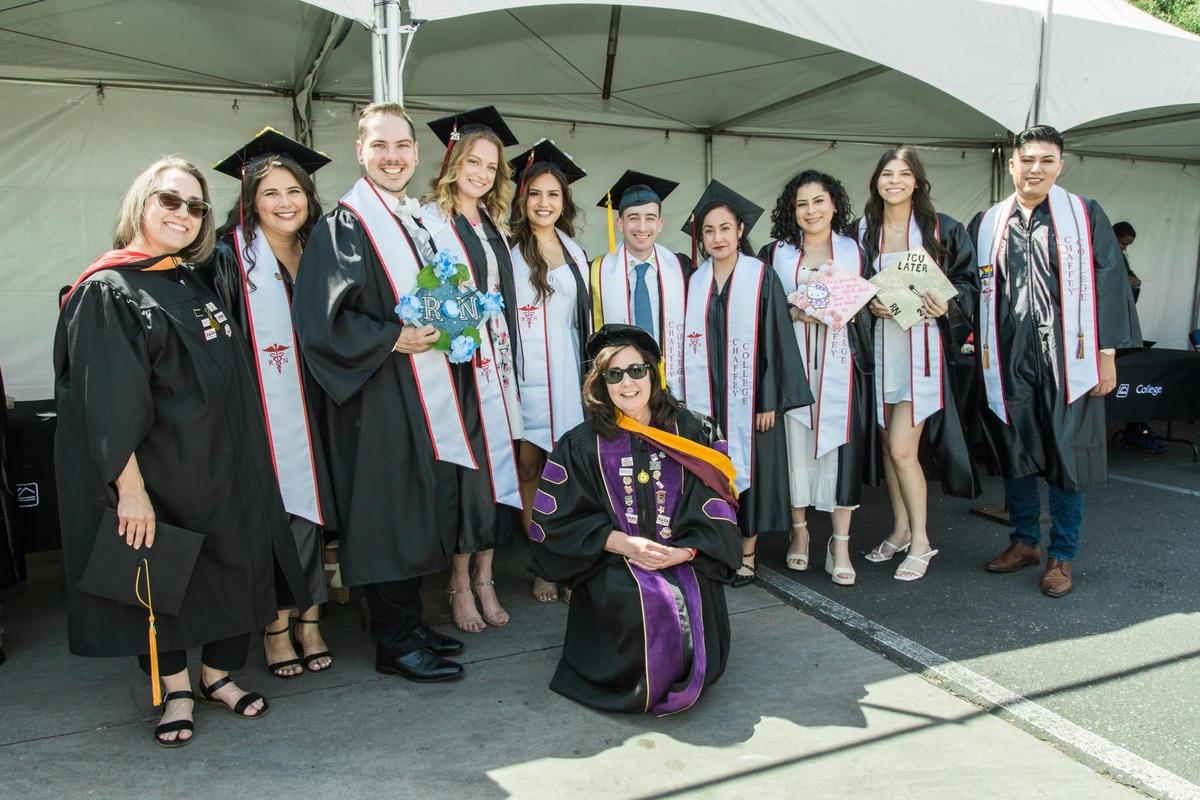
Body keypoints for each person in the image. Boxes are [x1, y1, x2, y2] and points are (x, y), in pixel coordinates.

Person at [54, 156, 311, 747]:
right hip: (162, 476)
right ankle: (175, 688)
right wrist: (132, 492)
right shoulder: (108, 289)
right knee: (164, 581)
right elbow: (106, 406)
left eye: (195, 207)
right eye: (170, 201)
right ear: (141, 204)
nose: (183, 214)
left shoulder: (188, 277)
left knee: (236, 568)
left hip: (226, 467)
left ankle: (218, 676)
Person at [292, 103, 469, 682]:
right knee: (388, 512)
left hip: (417, 389)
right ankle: (393, 643)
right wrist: (394, 338)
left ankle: (409, 624)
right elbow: (322, 320)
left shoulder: (410, 219)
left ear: (416, 153)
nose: (392, 157)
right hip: (376, 394)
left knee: (415, 508)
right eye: (380, 146)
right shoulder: (346, 223)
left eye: (402, 146)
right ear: (360, 152)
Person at [529, 324, 742, 714]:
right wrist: (622, 543)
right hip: (614, 556)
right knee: (640, 597)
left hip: (685, 555)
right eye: (614, 374)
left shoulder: (694, 430)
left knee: (682, 591)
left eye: (636, 370)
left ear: (653, 372)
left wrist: (686, 551)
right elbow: (557, 522)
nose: (627, 383)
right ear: (600, 383)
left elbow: (718, 506)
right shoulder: (580, 444)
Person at [969, 125, 1140, 598]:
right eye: (1027, 160)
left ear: (1060, 165)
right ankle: (1025, 542)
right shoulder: (989, 222)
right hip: (1008, 356)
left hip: (1069, 358)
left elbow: (1110, 280)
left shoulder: (1083, 215)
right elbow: (971, 285)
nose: (1035, 169)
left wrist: (1107, 355)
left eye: (1046, 160)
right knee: (1016, 452)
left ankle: (1062, 555)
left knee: (1067, 457)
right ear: (1012, 165)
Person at [202, 129, 338, 677]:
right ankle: (277, 624)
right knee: (273, 514)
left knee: (317, 514)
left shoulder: (323, 249)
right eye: (271, 193)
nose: (285, 203)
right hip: (261, 408)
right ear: (249, 200)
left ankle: (311, 619)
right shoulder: (225, 257)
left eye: (294, 192)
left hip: (323, 404)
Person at [420, 107, 524, 632]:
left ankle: (487, 576)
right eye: (473, 162)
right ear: (454, 161)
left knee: (498, 467)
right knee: (468, 473)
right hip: (455, 364)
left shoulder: (494, 227)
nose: (481, 173)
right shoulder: (429, 221)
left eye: (491, 166)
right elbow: (420, 292)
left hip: (497, 362)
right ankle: (459, 582)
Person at [857, 147, 981, 580]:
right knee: (889, 450)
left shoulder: (940, 228)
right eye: (887, 173)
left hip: (920, 350)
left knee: (902, 449)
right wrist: (870, 305)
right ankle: (901, 529)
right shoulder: (863, 231)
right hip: (880, 349)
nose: (895, 180)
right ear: (876, 181)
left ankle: (923, 541)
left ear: (917, 181)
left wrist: (944, 304)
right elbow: (854, 286)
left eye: (904, 174)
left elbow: (968, 283)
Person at [681, 181, 813, 586]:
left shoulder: (762, 277)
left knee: (747, 472)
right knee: (709, 472)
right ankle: (718, 545)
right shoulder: (694, 282)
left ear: (740, 230)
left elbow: (778, 338)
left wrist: (769, 399)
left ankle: (748, 553)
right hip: (706, 400)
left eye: (725, 228)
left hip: (751, 399)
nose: (717, 237)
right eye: (708, 230)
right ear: (700, 237)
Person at [758, 171, 876, 586]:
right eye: (802, 204)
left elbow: (867, 306)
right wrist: (794, 312)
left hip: (841, 367)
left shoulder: (856, 252)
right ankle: (800, 532)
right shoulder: (775, 254)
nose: (811, 211)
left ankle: (839, 542)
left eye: (819, 201)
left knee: (840, 450)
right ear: (792, 210)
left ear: (833, 204)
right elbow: (763, 310)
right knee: (795, 448)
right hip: (793, 366)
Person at [507, 138, 592, 603]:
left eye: (553, 195)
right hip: (526, 373)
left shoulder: (576, 253)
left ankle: (570, 559)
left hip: (568, 371)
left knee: (573, 471)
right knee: (530, 466)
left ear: (564, 201)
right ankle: (542, 561)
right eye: (535, 194)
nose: (544, 203)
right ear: (523, 198)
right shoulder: (507, 250)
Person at [590, 171, 689, 396]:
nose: (642, 227)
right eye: (633, 218)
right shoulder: (596, 272)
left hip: (670, 385)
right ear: (619, 223)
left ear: (660, 224)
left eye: (650, 218)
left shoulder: (681, 268)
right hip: (622, 386)